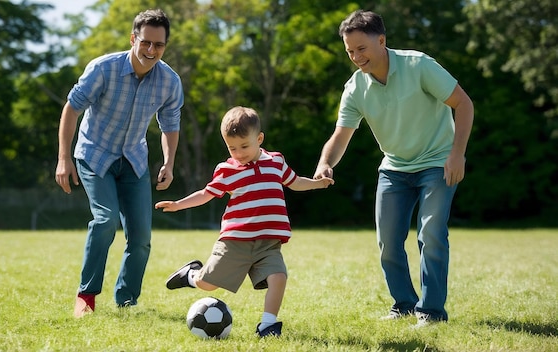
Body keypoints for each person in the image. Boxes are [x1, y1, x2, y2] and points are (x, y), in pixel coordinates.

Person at [314, 10, 474, 327]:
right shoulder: (355, 88)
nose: (356, 57)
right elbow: (340, 135)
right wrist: (325, 163)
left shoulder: (419, 65)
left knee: (431, 233)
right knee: (388, 243)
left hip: (437, 162)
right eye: (350, 51)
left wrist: (458, 154)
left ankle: (431, 312)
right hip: (395, 169)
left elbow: (463, 103)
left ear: (382, 40)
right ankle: (404, 304)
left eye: (361, 48)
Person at [155, 106, 334, 337]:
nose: (238, 153)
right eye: (232, 148)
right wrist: (179, 204)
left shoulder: (276, 161)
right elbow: (206, 194)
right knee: (207, 284)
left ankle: (267, 326)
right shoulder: (228, 170)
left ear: (259, 139)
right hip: (235, 241)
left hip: (268, 242)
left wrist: (316, 183)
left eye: (244, 146)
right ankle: (191, 275)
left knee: (279, 277)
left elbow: (295, 182)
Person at [55, 8, 184, 318]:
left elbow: (170, 124)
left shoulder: (169, 81)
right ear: (133, 38)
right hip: (94, 154)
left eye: (159, 45)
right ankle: (86, 297)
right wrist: (63, 158)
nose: (151, 51)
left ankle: (126, 301)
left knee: (141, 237)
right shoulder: (103, 69)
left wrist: (168, 162)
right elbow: (71, 110)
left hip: (133, 160)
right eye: (146, 43)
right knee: (105, 220)